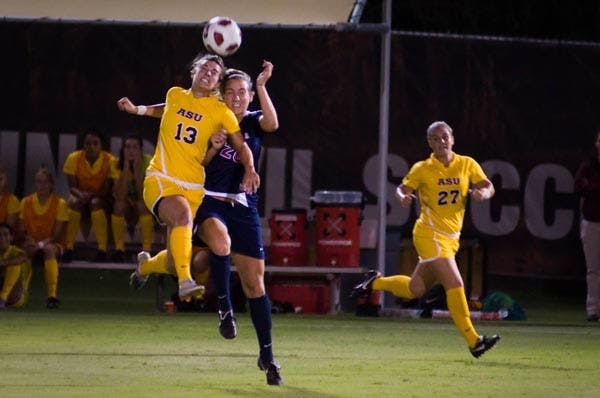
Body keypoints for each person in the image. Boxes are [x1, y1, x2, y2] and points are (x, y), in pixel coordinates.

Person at [129, 62, 283, 386]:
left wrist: (263, 84)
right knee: (218, 244)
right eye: (230, 92)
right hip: (207, 201)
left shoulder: (252, 123)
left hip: (243, 205)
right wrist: (212, 148)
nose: (237, 97)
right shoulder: (211, 116)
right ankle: (225, 310)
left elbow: (272, 123)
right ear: (221, 95)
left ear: (250, 97)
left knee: (250, 283)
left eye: (242, 93)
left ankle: (267, 355)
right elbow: (194, 154)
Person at [117, 53, 260, 300]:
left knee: (175, 262)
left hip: (193, 187)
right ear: (193, 71)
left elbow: (241, 145)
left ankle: (147, 266)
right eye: (205, 68)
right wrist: (137, 109)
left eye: (215, 72)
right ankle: (185, 283)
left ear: (217, 84)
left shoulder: (220, 111)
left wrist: (249, 167)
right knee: (182, 214)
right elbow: (166, 110)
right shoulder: (175, 94)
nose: (209, 73)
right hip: (161, 178)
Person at [352, 121, 500, 358]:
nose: (440, 142)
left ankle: (374, 283)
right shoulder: (423, 168)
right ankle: (474, 341)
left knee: (415, 288)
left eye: (444, 137)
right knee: (456, 284)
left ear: (452, 139)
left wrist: (483, 192)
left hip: (451, 238)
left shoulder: (466, 164)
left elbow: (488, 185)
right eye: (434, 138)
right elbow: (402, 188)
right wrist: (403, 196)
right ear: (429, 142)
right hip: (428, 234)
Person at [17, 167, 69, 309]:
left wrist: (40, 244)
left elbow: (57, 235)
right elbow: (21, 230)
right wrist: (29, 241)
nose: (42, 185)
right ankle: (22, 292)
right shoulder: (25, 202)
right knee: (24, 250)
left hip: (52, 243)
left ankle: (52, 296)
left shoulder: (60, 203)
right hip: (31, 242)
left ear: (51, 184)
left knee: (49, 250)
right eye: (39, 182)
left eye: (45, 182)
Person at [62, 130, 117, 262]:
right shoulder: (73, 158)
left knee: (95, 203)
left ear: (101, 146)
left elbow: (107, 189)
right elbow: (72, 187)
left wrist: (90, 196)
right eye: (87, 143)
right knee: (74, 203)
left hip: (102, 198)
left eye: (95, 143)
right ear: (83, 145)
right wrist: (81, 196)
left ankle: (102, 250)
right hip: (80, 195)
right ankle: (68, 248)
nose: (91, 147)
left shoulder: (111, 160)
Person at [111, 135, 154, 262]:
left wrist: (136, 170)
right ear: (123, 150)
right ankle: (119, 249)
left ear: (141, 150)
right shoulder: (115, 163)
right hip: (126, 203)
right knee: (118, 206)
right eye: (128, 147)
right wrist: (125, 168)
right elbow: (120, 196)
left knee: (142, 205)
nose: (131, 151)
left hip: (142, 202)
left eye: (135, 147)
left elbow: (143, 196)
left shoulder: (149, 162)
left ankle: (146, 250)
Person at [574, 130, 600, 322]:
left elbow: (587, 187)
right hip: (591, 222)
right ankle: (593, 310)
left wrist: (592, 186)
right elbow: (578, 186)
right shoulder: (589, 165)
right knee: (593, 269)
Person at [0, 223, 28, 310]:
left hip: (15, 296)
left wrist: (1, 263)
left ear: (11, 237)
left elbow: (21, 258)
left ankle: (2, 299)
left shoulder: (18, 252)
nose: (2, 238)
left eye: (6, 234)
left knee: (14, 265)